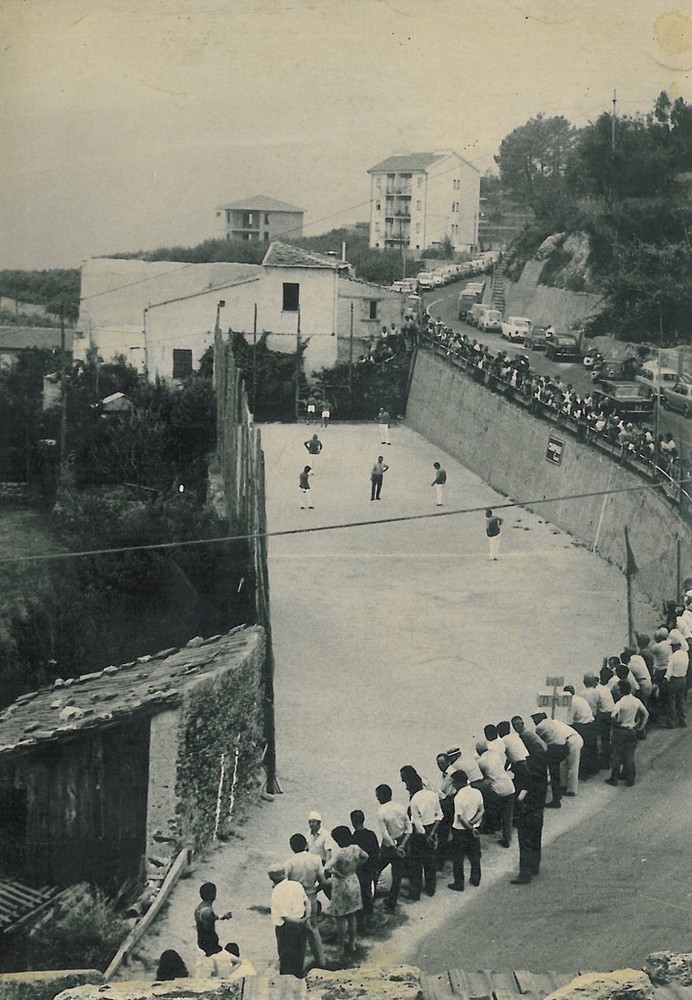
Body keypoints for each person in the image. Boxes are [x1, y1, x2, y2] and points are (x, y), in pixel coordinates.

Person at [284, 832, 329, 968]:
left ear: (292, 847)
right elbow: (323, 882)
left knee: (296, 931)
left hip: (295, 900)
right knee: (313, 929)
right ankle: (321, 961)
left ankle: (297, 963)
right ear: (306, 844)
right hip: (311, 896)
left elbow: (282, 884)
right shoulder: (315, 859)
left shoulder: (289, 863)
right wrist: (315, 890)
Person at [325, 826, 368, 962]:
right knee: (352, 915)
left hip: (341, 883)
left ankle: (341, 946)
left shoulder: (338, 853)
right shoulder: (355, 848)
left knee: (341, 917)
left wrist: (336, 873)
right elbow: (365, 856)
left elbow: (326, 867)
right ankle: (352, 943)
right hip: (353, 880)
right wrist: (357, 865)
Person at [510, 753, 548, 885]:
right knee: (535, 839)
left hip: (527, 814)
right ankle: (534, 866)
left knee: (525, 843)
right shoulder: (543, 781)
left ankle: (524, 874)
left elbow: (520, 798)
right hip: (538, 813)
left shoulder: (528, 782)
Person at [405, 769, 442, 899]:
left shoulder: (414, 801)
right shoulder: (433, 795)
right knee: (430, 861)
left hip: (419, 835)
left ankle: (415, 893)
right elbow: (439, 816)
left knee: (415, 863)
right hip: (432, 828)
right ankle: (431, 888)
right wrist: (432, 834)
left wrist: (425, 836)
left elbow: (417, 824)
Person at [375, 783, 411, 913]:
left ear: (382, 796)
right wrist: (402, 845)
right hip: (402, 842)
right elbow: (409, 828)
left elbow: (385, 835)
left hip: (389, 847)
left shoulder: (381, 812)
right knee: (397, 876)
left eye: (378, 796)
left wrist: (394, 848)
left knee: (376, 869)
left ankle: (372, 896)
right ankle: (391, 904)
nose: (377, 799)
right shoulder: (400, 807)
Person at [268, 865, 309, 979]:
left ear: (271, 878)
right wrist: (306, 918)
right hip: (301, 924)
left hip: (286, 928)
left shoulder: (276, 891)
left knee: (286, 958)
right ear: (284, 873)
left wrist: (299, 922)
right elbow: (307, 902)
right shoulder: (296, 885)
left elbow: (284, 917)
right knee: (299, 954)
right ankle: (299, 977)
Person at [605, 680, 649, 786]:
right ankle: (630, 778)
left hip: (620, 731)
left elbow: (612, 716)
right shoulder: (636, 701)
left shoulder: (620, 702)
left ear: (621, 690)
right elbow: (645, 714)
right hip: (631, 730)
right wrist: (640, 726)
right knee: (629, 755)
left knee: (617, 755)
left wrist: (616, 724)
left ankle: (614, 778)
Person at [447, 770, 484, 892]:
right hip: (475, 829)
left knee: (458, 858)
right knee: (475, 855)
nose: (452, 785)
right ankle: (475, 878)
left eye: (453, 783)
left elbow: (460, 817)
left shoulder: (459, 797)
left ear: (458, 783)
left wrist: (469, 827)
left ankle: (459, 883)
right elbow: (481, 810)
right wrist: (473, 825)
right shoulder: (477, 792)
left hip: (460, 830)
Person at [474, 739, 514, 846]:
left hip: (497, 790)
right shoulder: (495, 755)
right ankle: (507, 839)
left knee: (487, 803)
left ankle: (489, 826)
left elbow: (479, 777)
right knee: (507, 816)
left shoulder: (480, 762)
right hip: (509, 786)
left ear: (478, 750)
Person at [534, 715, 583, 800]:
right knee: (564, 764)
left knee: (572, 766)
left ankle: (572, 790)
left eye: (535, 718)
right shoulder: (551, 721)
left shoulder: (541, 726)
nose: (534, 721)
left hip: (572, 740)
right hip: (571, 738)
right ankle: (564, 786)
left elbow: (542, 741)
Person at [350, 810, 380, 920]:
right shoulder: (371, 834)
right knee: (368, 891)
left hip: (360, 869)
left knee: (362, 893)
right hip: (371, 868)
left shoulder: (354, 838)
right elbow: (377, 852)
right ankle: (369, 914)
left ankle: (363, 917)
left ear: (353, 822)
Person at [563, 685, 598, 777]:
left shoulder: (572, 702)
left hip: (583, 727)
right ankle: (593, 770)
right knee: (591, 749)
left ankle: (583, 773)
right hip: (591, 724)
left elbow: (569, 721)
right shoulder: (580, 699)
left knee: (582, 750)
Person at [194, 882, 232, 957]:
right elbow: (209, 932)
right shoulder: (208, 912)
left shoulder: (200, 908)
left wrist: (223, 916)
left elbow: (210, 918)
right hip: (210, 946)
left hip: (201, 942)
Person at [663, 635, 688, 728]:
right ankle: (683, 720)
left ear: (674, 646)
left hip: (674, 680)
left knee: (671, 702)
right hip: (683, 679)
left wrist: (665, 678)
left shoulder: (672, 657)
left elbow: (669, 671)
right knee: (680, 700)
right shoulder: (685, 654)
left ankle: (671, 722)